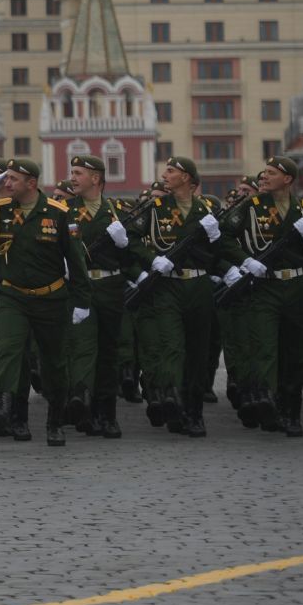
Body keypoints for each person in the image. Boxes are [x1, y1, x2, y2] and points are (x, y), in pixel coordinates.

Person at [0, 159, 92, 446]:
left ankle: (54, 422)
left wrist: (82, 301)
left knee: (53, 364)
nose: (7, 183)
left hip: (51, 298)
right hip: (12, 296)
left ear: (31, 183)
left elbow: (76, 261)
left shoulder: (58, 213)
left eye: (13, 179)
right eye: (5, 178)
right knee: (9, 352)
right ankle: (9, 413)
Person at [118, 157, 222, 436]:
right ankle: (173, 400)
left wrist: (218, 239)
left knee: (198, 353)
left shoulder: (207, 211)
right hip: (167, 286)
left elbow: (219, 252)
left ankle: (194, 412)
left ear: (187, 177)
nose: (165, 174)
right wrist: (152, 260)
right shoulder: (156, 208)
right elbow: (130, 238)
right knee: (172, 346)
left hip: (198, 286)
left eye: (171, 171)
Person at [214, 156, 303, 435]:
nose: (264, 176)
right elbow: (223, 237)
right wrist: (245, 260)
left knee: (294, 352)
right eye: (264, 172)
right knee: (264, 347)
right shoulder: (250, 206)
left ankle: (291, 411)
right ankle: (265, 402)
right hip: (264, 287)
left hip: (295, 286)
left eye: (271, 173)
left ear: (288, 179)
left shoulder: (302, 210)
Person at [62, 155, 133, 438]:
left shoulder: (117, 211)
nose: (73, 178)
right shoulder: (64, 210)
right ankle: (84, 407)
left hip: (110, 287)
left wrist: (124, 244)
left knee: (108, 351)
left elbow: (131, 257)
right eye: (72, 172)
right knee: (82, 348)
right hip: (79, 288)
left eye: (78, 173)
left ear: (96, 178)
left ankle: (108, 414)